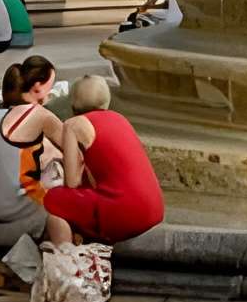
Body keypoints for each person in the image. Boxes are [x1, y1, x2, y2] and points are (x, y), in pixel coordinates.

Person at [0, 56, 72, 285]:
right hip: (19, 210)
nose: (51, 92)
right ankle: (62, 274)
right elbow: (74, 148)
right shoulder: (37, 115)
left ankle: (15, 267)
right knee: (63, 168)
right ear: (38, 86)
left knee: (47, 158)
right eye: (51, 84)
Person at [44, 75, 164, 247]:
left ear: (73, 104)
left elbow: (72, 183)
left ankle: (67, 263)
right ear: (106, 101)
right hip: (155, 209)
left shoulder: (73, 125)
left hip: (126, 213)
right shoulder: (120, 119)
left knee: (55, 199)